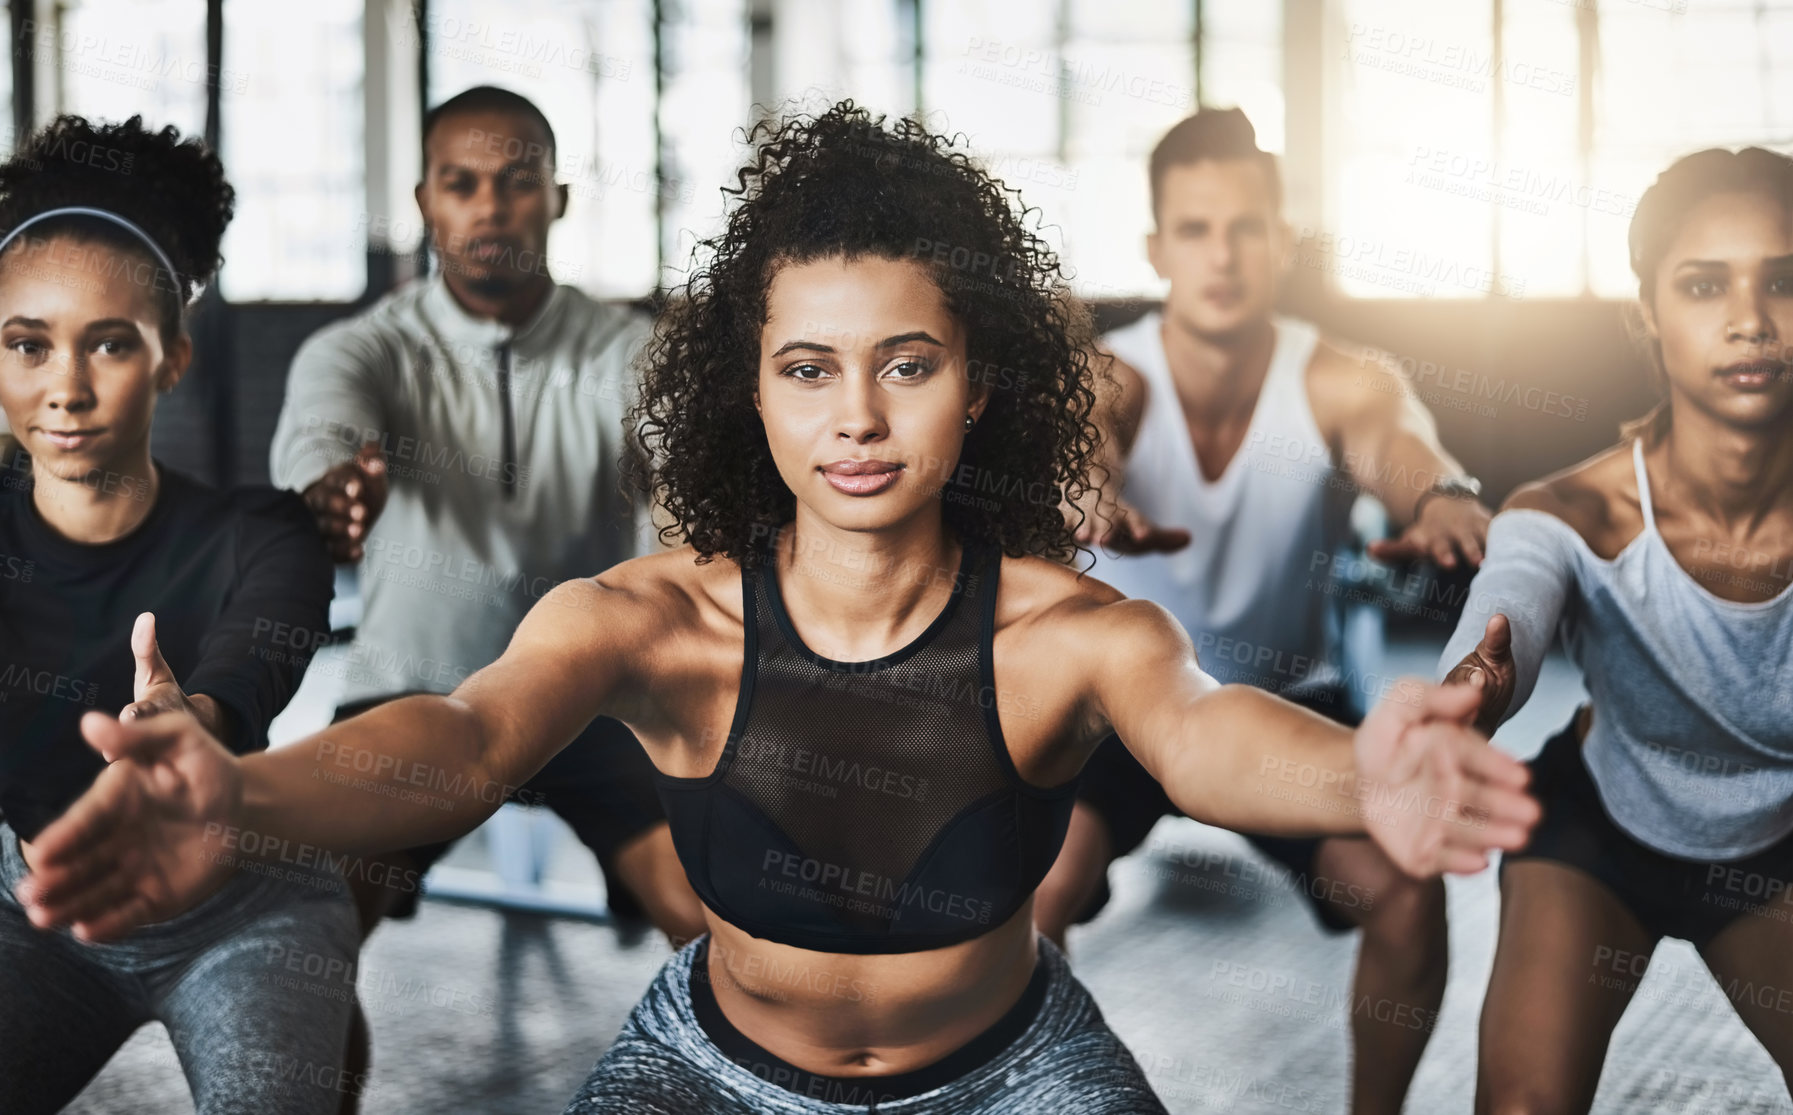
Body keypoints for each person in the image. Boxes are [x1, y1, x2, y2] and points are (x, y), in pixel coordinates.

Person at [15, 102, 1538, 1115]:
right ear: (749, 389)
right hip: (706, 1066)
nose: (857, 418)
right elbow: (469, 731)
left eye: (908, 362)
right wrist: (244, 786)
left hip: (1016, 1069)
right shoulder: (651, 620)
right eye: (808, 367)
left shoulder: (1072, 631)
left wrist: (1366, 769)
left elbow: (1202, 736)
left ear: (981, 378)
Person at [1032, 107, 1493, 1115]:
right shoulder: (1110, 374)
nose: (1222, 254)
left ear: (1279, 241)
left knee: (1407, 885)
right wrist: (1085, 491)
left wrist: (1442, 494)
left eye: (1245, 227)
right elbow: (1084, 442)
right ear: (1156, 246)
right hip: (1124, 712)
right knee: (1033, 891)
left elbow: (1394, 437)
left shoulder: (1336, 375)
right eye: (1194, 229)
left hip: (1287, 704)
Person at [0, 115, 355, 1114]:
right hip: (32, 906)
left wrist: (192, 723)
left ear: (172, 360)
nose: (65, 390)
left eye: (109, 345)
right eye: (28, 345)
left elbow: (255, 656)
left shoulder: (263, 533)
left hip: (247, 905)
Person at [1440, 146, 1793, 1113]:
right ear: (1647, 314)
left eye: (1782, 280)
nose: (1748, 319)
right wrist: (1455, 709)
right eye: (1702, 283)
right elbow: (1496, 630)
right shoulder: (1570, 514)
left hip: (1774, 848)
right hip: (1599, 834)